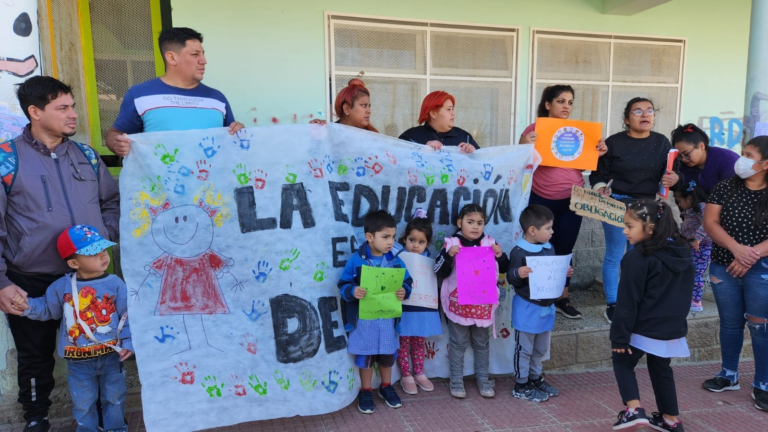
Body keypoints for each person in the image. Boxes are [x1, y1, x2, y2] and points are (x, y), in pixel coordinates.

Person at [0, 76, 119, 432]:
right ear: (35, 112)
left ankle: (102, 420)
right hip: (30, 278)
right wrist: (2, 282)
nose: (74, 115)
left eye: (73, 106)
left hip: (88, 279)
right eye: (63, 108)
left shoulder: (86, 156)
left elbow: (111, 202)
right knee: (35, 358)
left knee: (98, 352)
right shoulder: (6, 160)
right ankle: (36, 420)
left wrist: (103, 236)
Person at [12, 225, 132, 432]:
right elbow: (47, 309)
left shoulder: (115, 284)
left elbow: (127, 316)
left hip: (112, 357)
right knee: (83, 403)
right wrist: (26, 307)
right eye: (94, 253)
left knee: (115, 398)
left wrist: (129, 343)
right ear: (73, 262)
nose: (103, 256)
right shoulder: (61, 286)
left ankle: (116, 429)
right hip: (78, 361)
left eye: (103, 249)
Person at [519, 85, 607, 319]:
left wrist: (596, 153)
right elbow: (520, 160)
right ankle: (536, 295)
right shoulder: (534, 129)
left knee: (564, 249)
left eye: (569, 102)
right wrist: (525, 144)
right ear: (548, 104)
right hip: (540, 198)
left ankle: (562, 298)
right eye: (560, 101)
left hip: (572, 200)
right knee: (539, 248)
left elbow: (582, 164)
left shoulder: (578, 132)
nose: (566, 106)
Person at [590, 97, 680, 323]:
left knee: (638, 255)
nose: (645, 115)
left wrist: (674, 179)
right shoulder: (614, 142)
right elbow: (597, 172)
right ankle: (613, 304)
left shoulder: (662, 143)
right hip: (616, 204)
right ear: (626, 119)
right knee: (614, 255)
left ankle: (633, 301)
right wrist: (601, 188)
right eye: (638, 111)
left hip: (647, 207)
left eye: (649, 111)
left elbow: (673, 172)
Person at [611, 200, 693, 432]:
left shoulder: (637, 258)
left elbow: (628, 300)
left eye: (629, 226)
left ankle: (633, 410)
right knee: (661, 368)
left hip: (642, 326)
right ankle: (671, 420)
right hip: (670, 328)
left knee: (622, 361)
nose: (624, 231)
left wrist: (619, 336)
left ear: (650, 227)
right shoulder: (682, 252)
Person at [702, 136, 768, 412]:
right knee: (729, 322)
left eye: (748, 154)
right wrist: (736, 249)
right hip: (724, 265)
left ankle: (763, 383)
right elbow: (710, 222)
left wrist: (751, 254)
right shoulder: (725, 186)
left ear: (765, 163)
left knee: (760, 325)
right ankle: (728, 374)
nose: (741, 159)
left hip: (762, 268)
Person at [106, 27, 244, 157]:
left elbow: (231, 141)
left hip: (210, 181)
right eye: (195, 54)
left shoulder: (217, 99)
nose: (204, 61)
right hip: (160, 182)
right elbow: (115, 134)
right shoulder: (140, 94)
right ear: (171, 58)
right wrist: (117, 144)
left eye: (203, 54)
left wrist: (239, 132)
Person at [338, 210, 412, 414]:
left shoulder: (396, 260)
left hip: (388, 320)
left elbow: (407, 281)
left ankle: (386, 387)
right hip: (364, 321)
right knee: (366, 356)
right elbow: (343, 284)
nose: (391, 242)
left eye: (393, 237)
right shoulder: (357, 260)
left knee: (388, 355)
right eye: (385, 237)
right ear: (369, 237)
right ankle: (366, 390)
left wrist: (404, 290)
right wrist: (353, 291)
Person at [434, 204, 510, 399]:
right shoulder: (451, 243)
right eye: (470, 222)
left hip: (482, 306)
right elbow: (438, 271)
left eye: (480, 223)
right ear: (460, 223)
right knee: (458, 343)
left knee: (481, 343)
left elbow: (504, 268)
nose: (475, 227)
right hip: (459, 306)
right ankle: (457, 381)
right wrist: (448, 255)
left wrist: (500, 256)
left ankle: (483, 379)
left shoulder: (489, 243)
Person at [507, 205, 573, 403]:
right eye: (549, 228)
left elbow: (550, 274)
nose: (553, 232)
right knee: (524, 349)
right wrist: (518, 273)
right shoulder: (519, 251)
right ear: (532, 230)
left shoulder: (548, 247)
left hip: (546, 308)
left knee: (540, 348)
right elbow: (511, 278)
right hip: (527, 307)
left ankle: (535, 378)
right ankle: (521, 384)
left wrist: (564, 272)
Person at [393, 209, 440, 395]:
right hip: (404, 307)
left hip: (422, 308)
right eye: (412, 240)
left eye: (421, 242)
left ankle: (419, 372)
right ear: (404, 239)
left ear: (427, 243)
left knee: (419, 341)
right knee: (403, 341)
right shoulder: (398, 258)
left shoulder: (429, 260)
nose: (415, 245)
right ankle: (406, 375)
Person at [399, 91, 478, 153]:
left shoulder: (465, 137)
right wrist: (422, 149)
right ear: (433, 113)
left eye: (453, 109)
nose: (453, 113)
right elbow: (397, 163)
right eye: (448, 109)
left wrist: (474, 152)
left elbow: (481, 165)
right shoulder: (411, 137)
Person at [671, 123, 738, 196]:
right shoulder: (681, 166)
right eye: (680, 156)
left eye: (686, 154)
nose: (683, 159)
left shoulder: (727, 160)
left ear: (701, 146)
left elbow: (732, 196)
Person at [673, 182, 711, 312]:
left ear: (689, 199)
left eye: (679, 201)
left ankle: (696, 300)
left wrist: (698, 239)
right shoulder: (691, 210)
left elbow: (707, 223)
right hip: (691, 245)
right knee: (689, 271)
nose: (679, 204)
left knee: (696, 272)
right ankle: (688, 297)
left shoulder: (702, 207)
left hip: (701, 247)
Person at [310, 78, 377, 132]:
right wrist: (316, 133)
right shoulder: (328, 133)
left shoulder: (373, 137)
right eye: (363, 105)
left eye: (369, 106)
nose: (369, 111)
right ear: (346, 109)